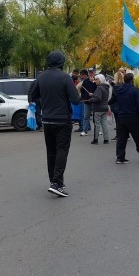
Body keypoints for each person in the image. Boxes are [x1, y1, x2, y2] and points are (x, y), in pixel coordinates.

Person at [28, 51, 80, 197]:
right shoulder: (65, 77)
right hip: (62, 120)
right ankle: (56, 183)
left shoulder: (41, 77)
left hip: (47, 120)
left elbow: (32, 95)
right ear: (61, 62)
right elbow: (75, 100)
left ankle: (55, 182)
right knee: (62, 151)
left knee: (51, 152)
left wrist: (45, 100)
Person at [115, 72, 139, 163]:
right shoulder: (135, 90)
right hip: (133, 116)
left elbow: (116, 102)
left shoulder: (119, 90)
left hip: (121, 115)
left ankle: (120, 157)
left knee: (121, 138)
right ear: (132, 80)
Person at [89, 74, 110, 144]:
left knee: (97, 124)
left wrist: (91, 100)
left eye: (96, 79)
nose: (95, 81)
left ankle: (95, 139)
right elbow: (102, 97)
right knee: (104, 124)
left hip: (98, 108)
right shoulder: (106, 87)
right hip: (105, 108)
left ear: (100, 80)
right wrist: (93, 95)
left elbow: (98, 98)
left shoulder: (99, 88)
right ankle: (106, 139)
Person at [108, 71, 125, 141]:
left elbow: (114, 96)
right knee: (123, 121)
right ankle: (126, 135)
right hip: (124, 105)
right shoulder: (124, 85)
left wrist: (108, 102)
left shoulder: (116, 86)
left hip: (116, 105)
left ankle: (118, 135)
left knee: (118, 122)